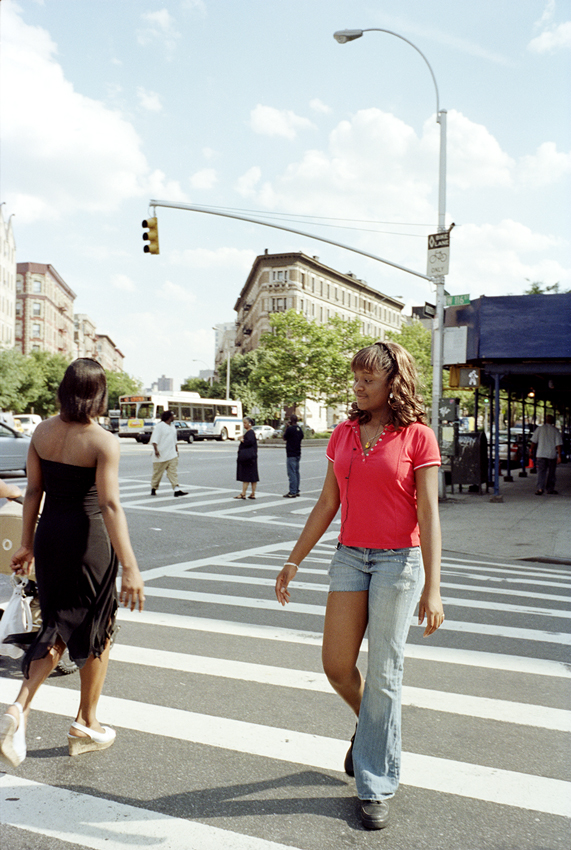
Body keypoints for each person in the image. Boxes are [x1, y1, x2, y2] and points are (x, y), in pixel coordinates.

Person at [274, 341, 444, 831]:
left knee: (386, 673)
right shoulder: (345, 433)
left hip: (399, 563)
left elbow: (428, 514)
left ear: (394, 383)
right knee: (335, 664)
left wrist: (434, 587)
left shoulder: (418, 437)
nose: (358, 385)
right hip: (350, 557)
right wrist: (293, 561)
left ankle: (375, 784)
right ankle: (371, 730)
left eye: (369, 378)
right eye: (356, 377)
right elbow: (328, 503)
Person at [0, 358, 145, 769]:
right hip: (89, 541)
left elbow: (31, 493)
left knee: (57, 622)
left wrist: (27, 543)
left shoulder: (41, 432)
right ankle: (86, 721)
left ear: (64, 390)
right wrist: (131, 567)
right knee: (98, 625)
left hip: (49, 537)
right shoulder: (102, 441)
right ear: (98, 394)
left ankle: (19, 708)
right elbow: (110, 505)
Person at [150, 410, 187, 497]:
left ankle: (176, 490)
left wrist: (176, 450)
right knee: (157, 474)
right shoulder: (160, 426)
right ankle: (153, 488)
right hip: (161, 454)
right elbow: (154, 439)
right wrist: (156, 450)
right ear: (169, 417)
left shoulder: (172, 426)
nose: (174, 417)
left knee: (173, 472)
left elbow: (174, 440)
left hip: (172, 454)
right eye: (172, 416)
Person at [530, 414, 563, 495]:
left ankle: (540, 488)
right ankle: (550, 489)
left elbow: (534, 441)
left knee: (541, 472)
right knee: (551, 473)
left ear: (545, 420)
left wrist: (531, 451)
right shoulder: (555, 430)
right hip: (551, 454)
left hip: (541, 453)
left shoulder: (539, 429)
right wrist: (559, 456)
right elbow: (558, 444)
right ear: (552, 421)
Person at [235, 417, 258, 499]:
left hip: (248, 458)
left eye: (245, 423)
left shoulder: (250, 432)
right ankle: (252, 493)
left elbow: (249, 442)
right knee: (253, 476)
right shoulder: (249, 433)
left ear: (249, 424)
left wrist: (242, 439)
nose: (244, 424)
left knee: (246, 476)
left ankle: (243, 493)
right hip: (252, 457)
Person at [282, 415, 304, 498]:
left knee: (291, 473)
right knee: (296, 472)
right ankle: (297, 489)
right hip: (298, 453)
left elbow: (284, 437)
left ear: (291, 420)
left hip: (291, 453)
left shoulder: (290, 429)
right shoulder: (299, 429)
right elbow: (301, 437)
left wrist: (286, 427)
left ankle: (292, 491)